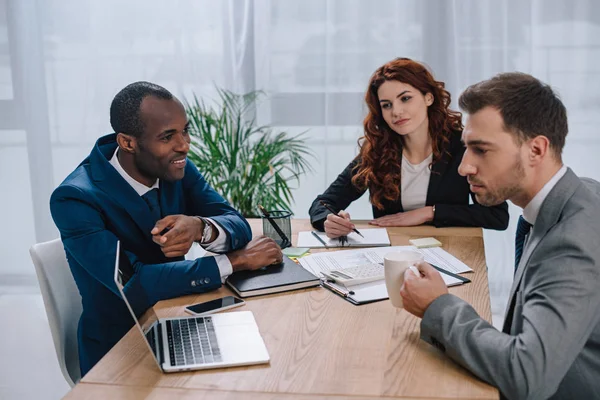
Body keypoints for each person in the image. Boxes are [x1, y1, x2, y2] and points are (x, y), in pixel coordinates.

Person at [50, 81, 283, 375]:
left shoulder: (176, 166)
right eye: (168, 136)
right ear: (128, 143)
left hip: (181, 318)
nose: (184, 144)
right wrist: (233, 262)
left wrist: (200, 227)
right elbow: (133, 284)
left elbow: (234, 221)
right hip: (121, 349)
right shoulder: (76, 198)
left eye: (185, 130)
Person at [400, 73, 600, 399]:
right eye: (467, 148)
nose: (464, 167)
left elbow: (527, 377)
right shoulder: (578, 193)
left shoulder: (569, 244)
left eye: (481, 150)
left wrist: (438, 306)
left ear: (536, 149)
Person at [308, 58, 508, 238]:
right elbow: (323, 204)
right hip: (393, 256)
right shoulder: (377, 151)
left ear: (428, 98)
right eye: (386, 105)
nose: (396, 112)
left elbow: (497, 216)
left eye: (405, 99)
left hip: (450, 252)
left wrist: (430, 212)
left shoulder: (461, 147)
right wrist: (330, 221)